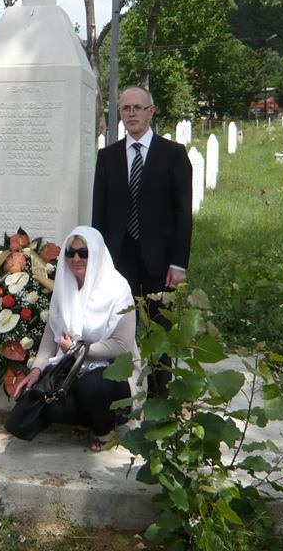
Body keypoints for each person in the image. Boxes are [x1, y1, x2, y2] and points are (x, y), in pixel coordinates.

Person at [92, 85, 192, 394]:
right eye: (126, 108)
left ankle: (160, 399)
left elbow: (182, 214)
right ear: (120, 114)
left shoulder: (173, 154)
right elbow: (99, 214)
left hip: (159, 261)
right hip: (119, 259)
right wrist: (98, 262)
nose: (132, 113)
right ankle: (114, 399)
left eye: (138, 107)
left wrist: (178, 263)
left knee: (157, 332)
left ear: (151, 111)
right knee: (114, 329)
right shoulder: (107, 157)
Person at [12, 226, 136, 451]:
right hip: (71, 369)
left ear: (96, 254)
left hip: (112, 372)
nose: (76, 258)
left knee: (91, 386)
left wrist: (78, 350)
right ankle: (88, 419)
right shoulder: (65, 286)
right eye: (70, 253)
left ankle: (104, 429)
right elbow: (52, 334)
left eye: (84, 253)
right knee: (40, 400)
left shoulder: (118, 290)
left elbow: (121, 345)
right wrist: (36, 370)